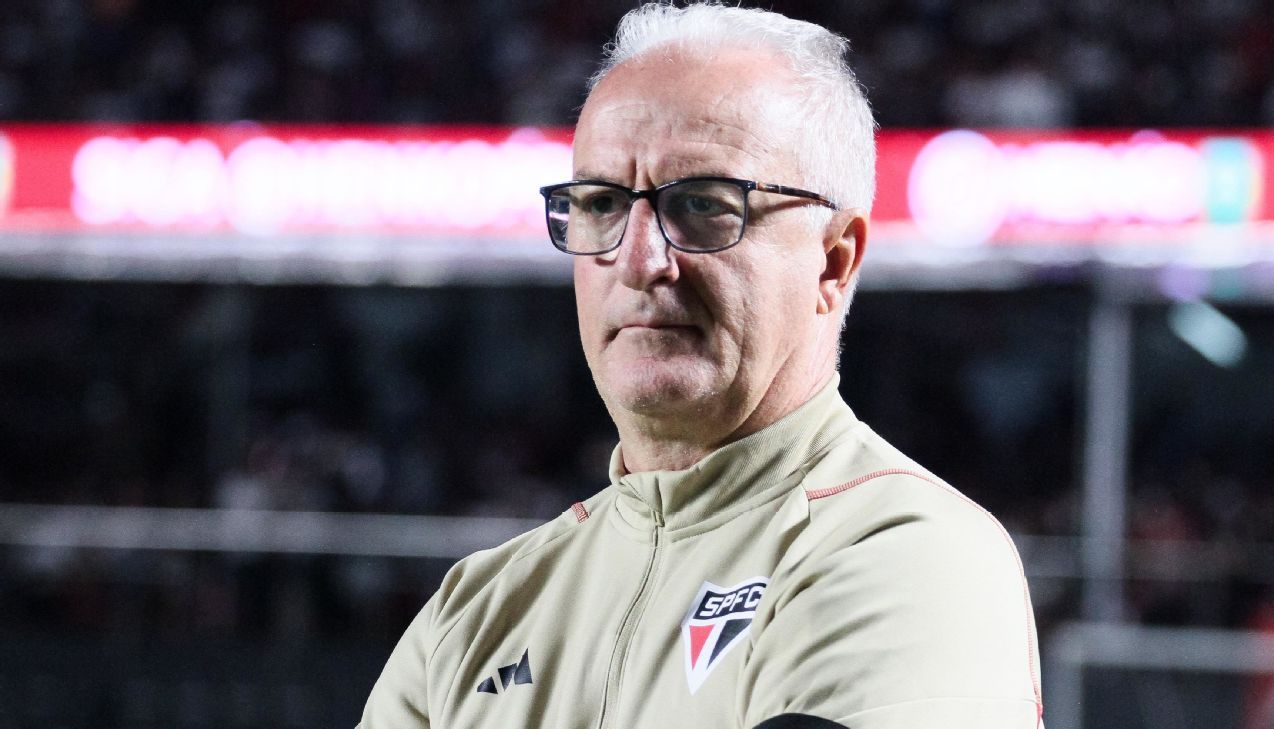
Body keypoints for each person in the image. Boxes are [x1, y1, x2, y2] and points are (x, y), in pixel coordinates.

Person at [358, 3, 1044, 728]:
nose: (639, 260)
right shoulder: (473, 612)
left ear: (833, 262)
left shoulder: (911, 552)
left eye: (703, 205)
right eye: (601, 203)